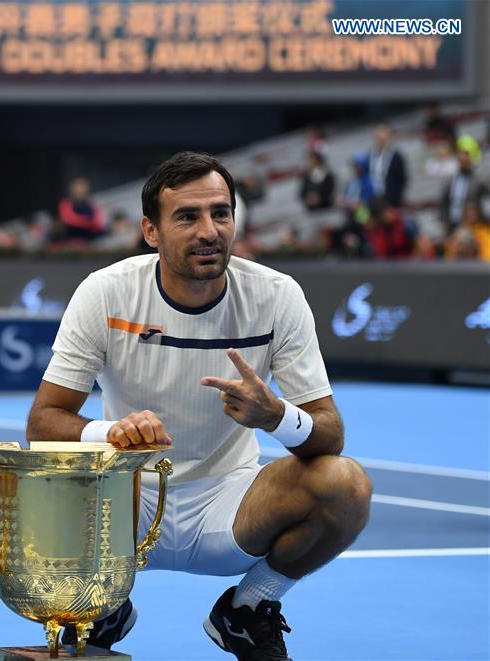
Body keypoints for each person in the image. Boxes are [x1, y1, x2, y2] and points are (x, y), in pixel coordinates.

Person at [28, 152, 372, 661]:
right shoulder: (105, 292)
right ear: (151, 231)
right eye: (187, 217)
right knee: (38, 478)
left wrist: (275, 416)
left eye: (221, 213)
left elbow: (329, 434)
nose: (209, 230)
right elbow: (43, 421)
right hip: (125, 502)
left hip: (231, 506)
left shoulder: (278, 296)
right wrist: (112, 432)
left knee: (346, 484)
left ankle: (248, 608)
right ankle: (97, 605)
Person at [368, 124, 407, 208]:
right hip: (372, 197)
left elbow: (401, 180)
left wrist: (394, 198)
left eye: (384, 139)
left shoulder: (396, 157)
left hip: (389, 199)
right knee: (359, 214)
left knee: (386, 216)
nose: (381, 142)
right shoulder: (370, 156)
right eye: (379, 139)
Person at [57, 177, 106, 242]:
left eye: (82, 187)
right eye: (77, 187)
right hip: (73, 238)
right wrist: (87, 222)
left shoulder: (91, 204)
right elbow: (68, 219)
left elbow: (97, 221)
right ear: (72, 189)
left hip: (90, 237)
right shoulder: (65, 203)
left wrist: (91, 224)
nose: (80, 190)